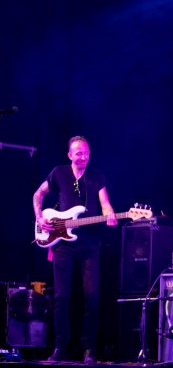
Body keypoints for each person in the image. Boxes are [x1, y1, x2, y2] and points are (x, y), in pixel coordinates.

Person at [32, 136, 118, 364]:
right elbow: (38, 194)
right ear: (70, 155)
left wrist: (109, 213)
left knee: (92, 296)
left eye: (86, 153)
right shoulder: (58, 173)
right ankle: (60, 347)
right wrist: (40, 218)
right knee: (61, 296)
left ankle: (89, 348)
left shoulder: (96, 177)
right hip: (62, 243)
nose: (83, 157)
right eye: (78, 153)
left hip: (89, 244)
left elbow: (105, 203)